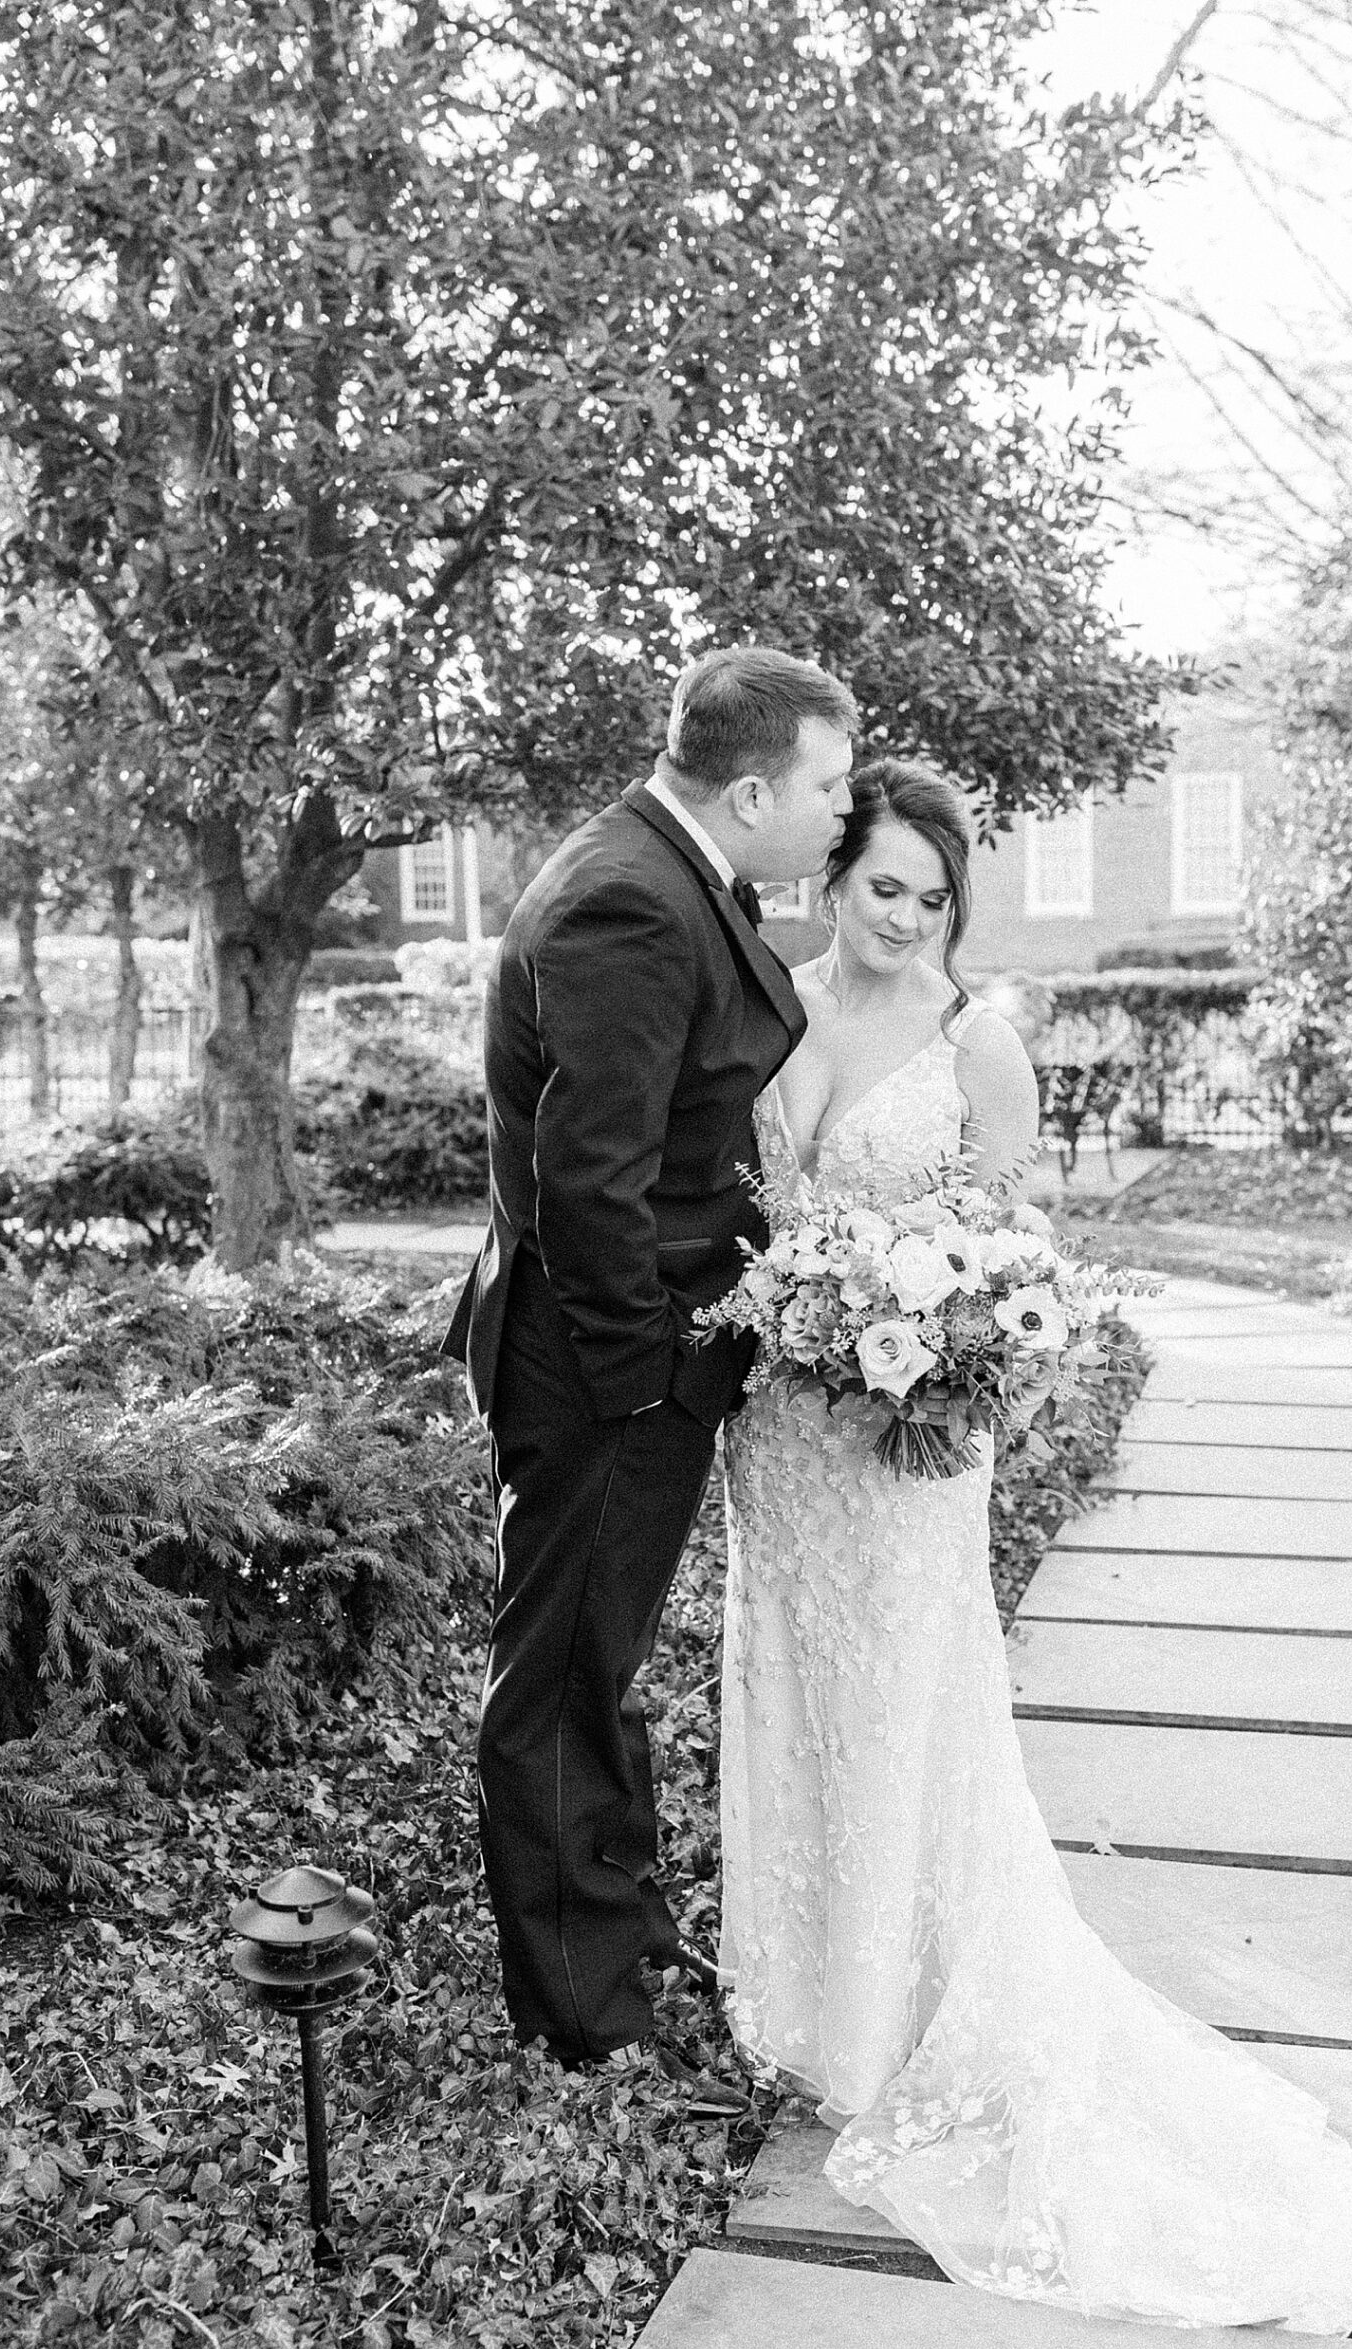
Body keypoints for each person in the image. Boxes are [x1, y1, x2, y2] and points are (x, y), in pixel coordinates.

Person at [717, 756, 1352, 2330]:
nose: (902, 917)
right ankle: (816, 2003)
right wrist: (797, 1314)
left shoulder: (979, 1041)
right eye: (879, 886)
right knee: (798, 1692)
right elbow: (753, 1209)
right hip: (781, 1438)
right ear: (831, 881)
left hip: (907, 1451)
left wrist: (922, 1323)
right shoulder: (769, 1004)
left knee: (911, 1707)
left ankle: (909, 2024)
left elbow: (1012, 1248)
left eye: (929, 895)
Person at [443, 647, 857, 2099]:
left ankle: (612, 1932)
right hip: (601, 1363)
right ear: (751, 790)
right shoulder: (626, 897)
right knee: (559, 1680)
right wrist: (643, 1382)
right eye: (826, 785)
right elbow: (589, 1184)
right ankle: (580, 2014)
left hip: (636, 1352)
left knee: (601, 1668)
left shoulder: (672, 873)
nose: (838, 811)